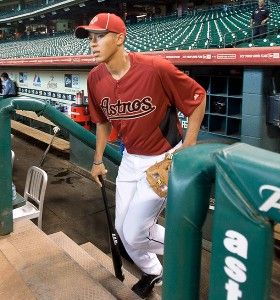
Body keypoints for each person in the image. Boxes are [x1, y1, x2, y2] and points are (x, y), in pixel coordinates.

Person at [75, 13, 206, 299]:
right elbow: (102, 122)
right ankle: (154, 270)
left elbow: (197, 99)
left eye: (99, 36)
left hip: (162, 158)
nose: (92, 43)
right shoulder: (95, 78)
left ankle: (186, 244)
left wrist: (189, 146)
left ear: (120, 38)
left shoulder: (155, 68)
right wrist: (97, 160)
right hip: (130, 159)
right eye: (89, 37)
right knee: (123, 229)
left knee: (133, 233)